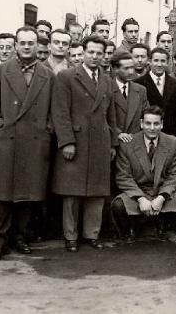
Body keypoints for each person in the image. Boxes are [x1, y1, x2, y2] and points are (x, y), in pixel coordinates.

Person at [0, 26, 55, 261]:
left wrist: (46, 130)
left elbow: (56, 109)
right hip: (8, 141)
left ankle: (20, 236)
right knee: (2, 193)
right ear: (15, 45)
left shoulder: (48, 75)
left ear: (38, 46)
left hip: (35, 142)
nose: (26, 47)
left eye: (30, 43)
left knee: (28, 193)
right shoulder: (0, 72)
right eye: (21, 43)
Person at [50, 35, 117, 253]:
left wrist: (113, 143)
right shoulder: (67, 77)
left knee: (97, 192)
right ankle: (71, 236)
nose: (95, 57)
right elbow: (60, 113)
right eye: (91, 52)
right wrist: (67, 141)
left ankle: (92, 234)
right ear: (82, 53)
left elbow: (111, 114)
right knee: (72, 192)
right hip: (76, 141)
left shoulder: (107, 80)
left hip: (100, 141)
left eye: (100, 53)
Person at [112, 106, 176, 243]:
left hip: (160, 191)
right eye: (148, 123)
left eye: (156, 124)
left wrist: (161, 197)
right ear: (141, 124)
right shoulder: (128, 144)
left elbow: (174, 175)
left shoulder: (173, 142)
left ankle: (164, 223)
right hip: (138, 192)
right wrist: (140, 198)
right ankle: (130, 230)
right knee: (119, 206)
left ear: (162, 124)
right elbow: (123, 177)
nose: (152, 128)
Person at [135, 48, 176, 137]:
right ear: (149, 61)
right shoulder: (138, 83)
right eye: (156, 60)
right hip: (146, 133)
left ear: (168, 63)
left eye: (163, 61)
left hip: (170, 134)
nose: (159, 64)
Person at [111, 52, 149, 142]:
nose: (131, 72)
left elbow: (146, 116)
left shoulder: (141, 90)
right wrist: (117, 133)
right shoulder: (106, 89)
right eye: (126, 68)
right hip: (112, 144)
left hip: (134, 142)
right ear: (115, 69)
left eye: (132, 67)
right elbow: (102, 118)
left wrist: (138, 135)